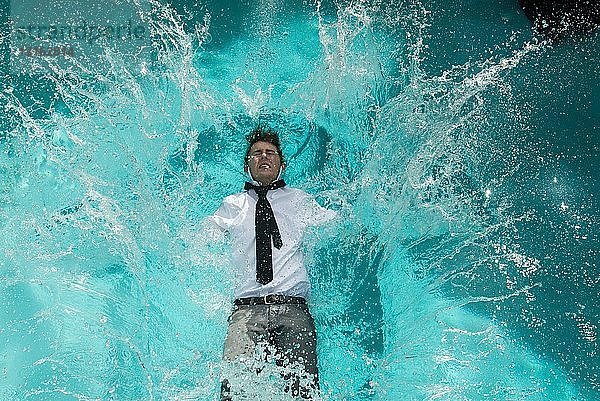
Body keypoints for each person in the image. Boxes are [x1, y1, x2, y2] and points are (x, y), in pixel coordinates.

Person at [205, 125, 336, 400]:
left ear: (281, 163)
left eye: (270, 152)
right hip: (245, 311)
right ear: (247, 165)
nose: (264, 157)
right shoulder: (232, 204)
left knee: (303, 394)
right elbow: (200, 239)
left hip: (293, 309)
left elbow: (337, 227)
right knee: (233, 393)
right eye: (256, 153)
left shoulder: (300, 201)